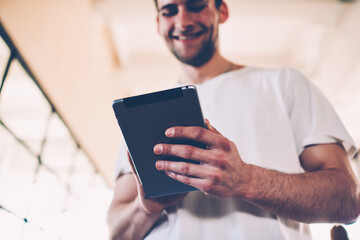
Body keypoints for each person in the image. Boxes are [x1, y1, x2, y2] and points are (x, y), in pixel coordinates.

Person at [107, 0, 360, 239]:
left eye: (196, 5)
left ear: (222, 11)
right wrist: (146, 208)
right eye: (169, 10)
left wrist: (246, 180)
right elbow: (117, 232)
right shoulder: (142, 115)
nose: (182, 21)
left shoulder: (285, 84)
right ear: (158, 24)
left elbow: (348, 199)